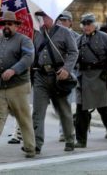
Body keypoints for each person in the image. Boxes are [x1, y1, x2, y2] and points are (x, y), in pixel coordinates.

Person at [0, 11, 36, 159]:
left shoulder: (24, 40)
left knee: (23, 118)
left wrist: (14, 70)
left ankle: (30, 148)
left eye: (10, 24)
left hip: (18, 86)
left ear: (16, 26)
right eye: (4, 24)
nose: (6, 26)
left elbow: (29, 57)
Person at [31, 10, 78, 154]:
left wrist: (66, 69)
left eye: (46, 16)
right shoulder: (38, 33)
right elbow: (33, 54)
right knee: (38, 112)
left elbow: (73, 52)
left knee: (64, 110)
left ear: (54, 17)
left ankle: (70, 139)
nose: (43, 19)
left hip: (58, 76)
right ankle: (36, 144)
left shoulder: (64, 32)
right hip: (40, 75)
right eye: (42, 16)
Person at [74, 13, 107, 148]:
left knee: (105, 110)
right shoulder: (79, 40)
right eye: (84, 24)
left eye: (89, 24)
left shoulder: (105, 38)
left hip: (100, 78)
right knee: (80, 110)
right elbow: (73, 58)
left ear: (95, 25)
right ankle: (81, 140)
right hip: (83, 78)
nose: (87, 27)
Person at [56, 11, 79, 142]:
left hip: (72, 74)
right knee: (61, 104)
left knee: (67, 103)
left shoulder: (77, 37)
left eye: (65, 20)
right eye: (60, 20)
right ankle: (64, 131)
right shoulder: (55, 35)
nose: (62, 23)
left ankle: (66, 131)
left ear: (70, 22)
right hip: (58, 73)